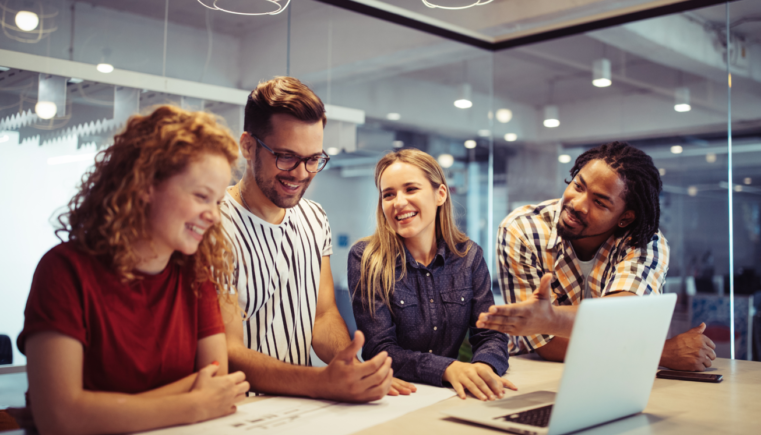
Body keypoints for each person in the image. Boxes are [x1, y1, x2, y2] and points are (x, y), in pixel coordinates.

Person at [15, 106, 250, 435]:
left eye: (216, 202)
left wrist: (89, 412)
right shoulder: (64, 271)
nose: (213, 216)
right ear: (145, 184)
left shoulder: (196, 275)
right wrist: (193, 405)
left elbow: (216, 381)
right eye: (201, 196)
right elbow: (59, 419)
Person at [220, 77, 396, 402]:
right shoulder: (213, 225)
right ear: (247, 145)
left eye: (313, 159)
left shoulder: (314, 218)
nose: (301, 173)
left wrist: (353, 369)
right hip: (238, 412)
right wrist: (320, 382)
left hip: (300, 410)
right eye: (286, 156)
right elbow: (226, 351)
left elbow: (323, 315)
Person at [477, 141, 716, 372]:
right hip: (540, 376)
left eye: (599, 202)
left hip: (623, 377)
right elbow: (546, 345)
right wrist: (659, 353)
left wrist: (548, 319)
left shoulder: (643, 241)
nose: (578, 204)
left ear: (625, 218)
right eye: (578, 186)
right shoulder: (522, 230)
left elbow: (624, 315)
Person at [348, 149, 515, 401]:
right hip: (396, 397)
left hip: (453, 395)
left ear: (440, 194)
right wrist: (447, 368)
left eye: (411, 189)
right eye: (388, 194)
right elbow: (379, 350)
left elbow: (490, 333)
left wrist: (484, 367)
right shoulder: (367, 258)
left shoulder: (468, 256)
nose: (399, 202)